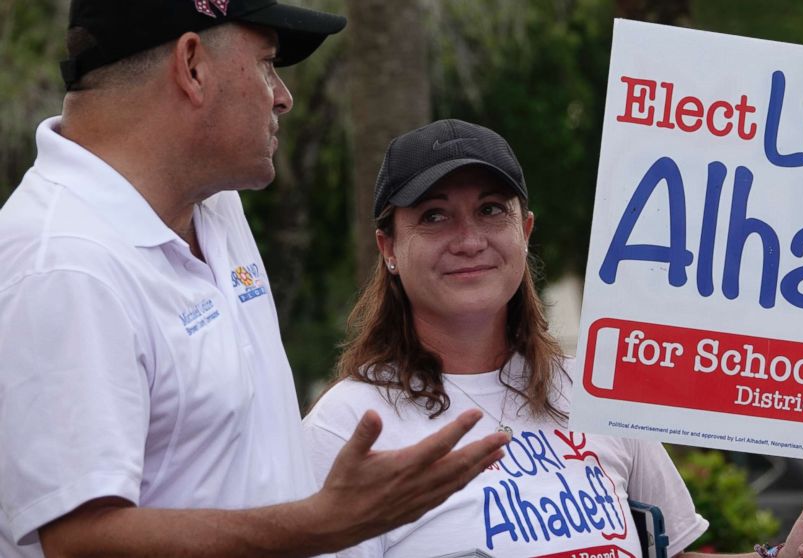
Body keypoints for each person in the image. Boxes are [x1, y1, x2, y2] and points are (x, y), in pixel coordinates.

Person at [0, 3, 509, 557]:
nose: (283, 96)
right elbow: (79, 542)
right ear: (192, 65)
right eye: (267, 64)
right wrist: (323, 524)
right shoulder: (62, 263)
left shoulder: (213, 203)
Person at [302, 119, 803, 558]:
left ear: (524, 231)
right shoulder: (346, 426)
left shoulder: (595, 390)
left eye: (491, 210)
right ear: (388, 250)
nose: (469, 239)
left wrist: (784, 555)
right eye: (433, 216)